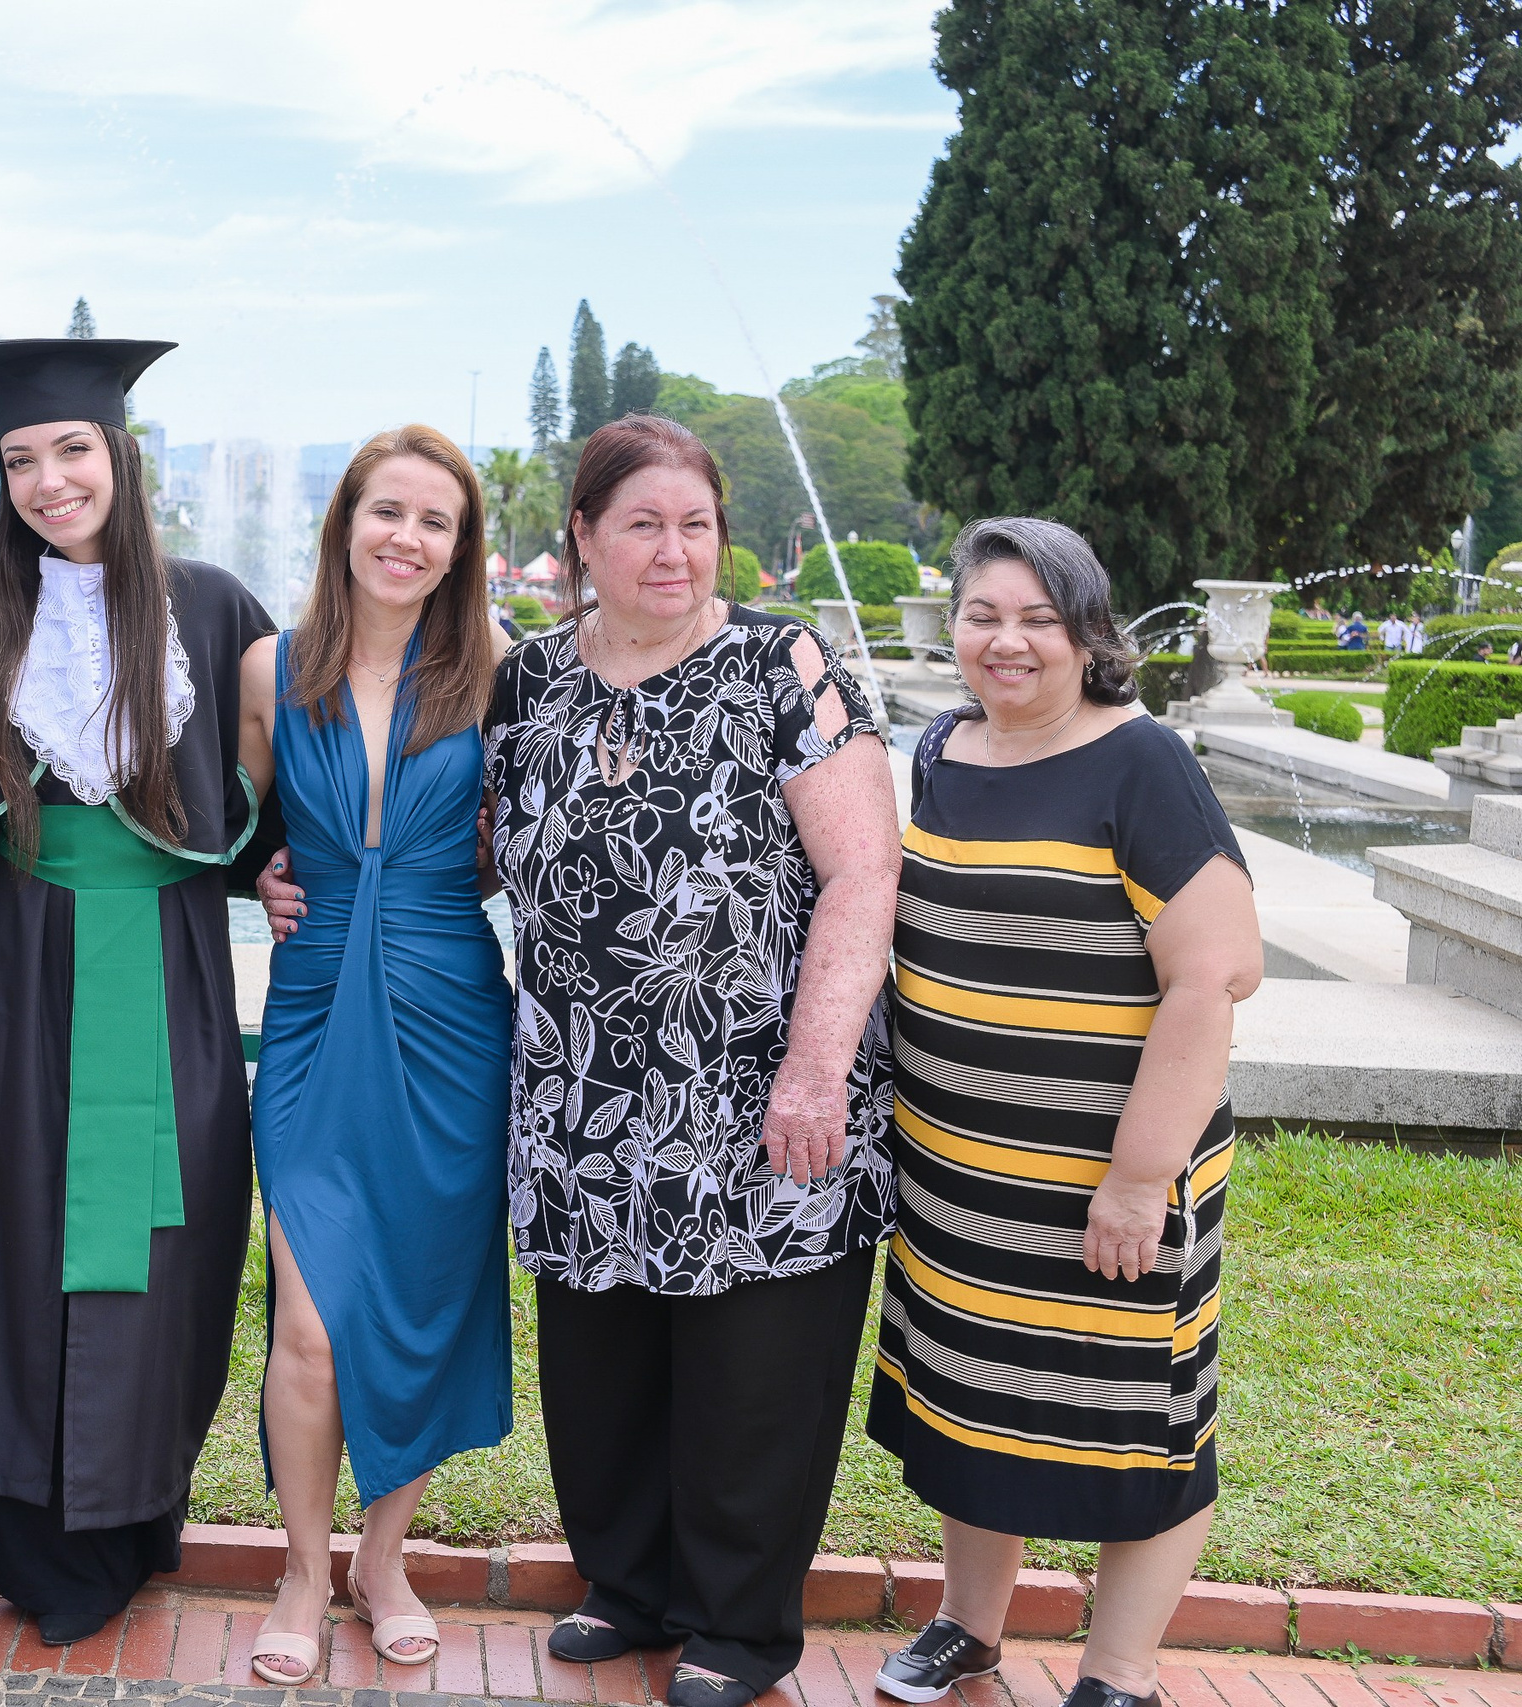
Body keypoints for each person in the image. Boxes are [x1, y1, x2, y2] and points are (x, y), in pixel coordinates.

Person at [481, 415, 903, 1707]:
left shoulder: (785, 665)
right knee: (602, 1362)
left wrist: (816, 1066)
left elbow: (862, 870)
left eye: (696, 525)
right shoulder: (528, 678)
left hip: (753, 1087)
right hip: (578, 1089)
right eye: (644, 524)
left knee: (751, 1372)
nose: (674, 551)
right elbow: (485, 853)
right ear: (585, 537)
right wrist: (295, 876)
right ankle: (628, 1581)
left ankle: (736, 1620)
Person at [0, 338, 274, 1647]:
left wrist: (282, 871)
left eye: (75, 451)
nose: (52, 480)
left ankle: (133, 1512)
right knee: (19, 1232)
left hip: (163, 968)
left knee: (163, 1238)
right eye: (27, 458)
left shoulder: (216, 611)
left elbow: (280, 788)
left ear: (122, 458)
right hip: (18, 970)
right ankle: (36, 1531)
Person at [870, 518, 1261, 1707]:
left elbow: (1216, 971)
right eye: (983, 615)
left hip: (1108, 1178)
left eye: (1037, 619)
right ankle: (967, 1626)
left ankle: (1117, 1672)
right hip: (956, 1177)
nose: (1006, 642)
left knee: (1136, 1425)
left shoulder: (1141, 764)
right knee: (972, 1401)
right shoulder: (943, 749)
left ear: (1088, 634)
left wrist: (1139, 1179)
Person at [241, 427, 512, 1684]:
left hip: (451, 1013)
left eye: (435, 521)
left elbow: (527, 843)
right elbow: (252, 828)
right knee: (309, 1326)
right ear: (344, 521)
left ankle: (381, 1559)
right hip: (309, 1012)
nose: (407, 537)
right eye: (386, 511)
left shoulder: (500, 670)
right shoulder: (268, 668)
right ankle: (303, 1566)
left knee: (419, 1300)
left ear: (459, 550)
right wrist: (266, 876)